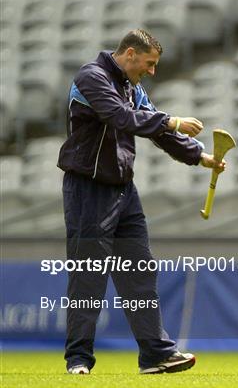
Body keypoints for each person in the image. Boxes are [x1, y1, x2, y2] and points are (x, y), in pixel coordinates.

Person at [57, 29, 225, 375]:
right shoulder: (92, 77)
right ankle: (78, 359)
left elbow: (159, 131)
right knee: (89, 275)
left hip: (123, 190)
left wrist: (200, 157)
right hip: (88, 189)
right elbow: (122, 118)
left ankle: (155, 355)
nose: (151, 71)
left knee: (140, 274)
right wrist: (173, 119)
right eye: (149, 64)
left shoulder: (133, 87)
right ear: (130, 54)